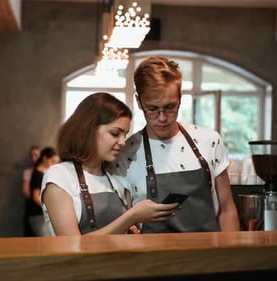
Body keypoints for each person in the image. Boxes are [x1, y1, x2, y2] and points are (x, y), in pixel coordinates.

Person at [108, 56, 240, 233]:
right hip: (152, 258)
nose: (162, 118)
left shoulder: (209, 141)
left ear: (180, 98)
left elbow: (227, 209)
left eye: (170, 107)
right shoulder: (125, 154)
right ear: (139, 102)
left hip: (210, 254)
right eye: (153, 109)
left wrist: (231, 255)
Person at [41, 92, 180, 236]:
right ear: (88, 130)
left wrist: (130, 231)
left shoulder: (118, 182)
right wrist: (131, 217)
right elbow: (72, 244)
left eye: (124, 135)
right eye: (115, 133)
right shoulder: (60, 177)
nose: (122, 142)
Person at [27, 147, 60, 236]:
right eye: (52, 161)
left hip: (41, 215)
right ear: (45, 158)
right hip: (37, 215)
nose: (53, 164)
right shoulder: (38, 174)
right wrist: (50, 208)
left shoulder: (43, 173)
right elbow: (36, 197)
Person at [21, 145, 40, 236]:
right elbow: (25, 192)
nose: (33, 158)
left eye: (36, 155)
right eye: (32, 156)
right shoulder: (28, 172)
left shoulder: (47, 171)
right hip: (32, 209)